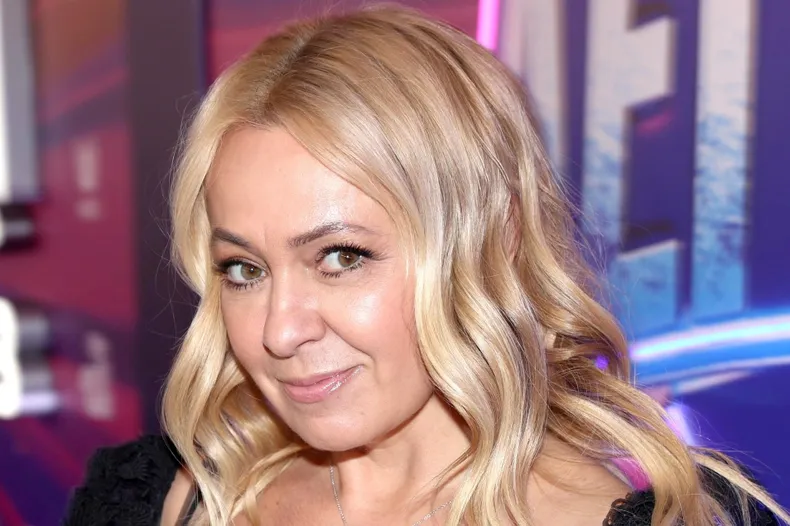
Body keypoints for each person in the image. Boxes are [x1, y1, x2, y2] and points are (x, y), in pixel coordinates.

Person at [64, 5, 787, 525]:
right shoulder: (159, 500)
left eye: (341, 257)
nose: (279, 331)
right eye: (244, 270)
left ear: (495, 240)